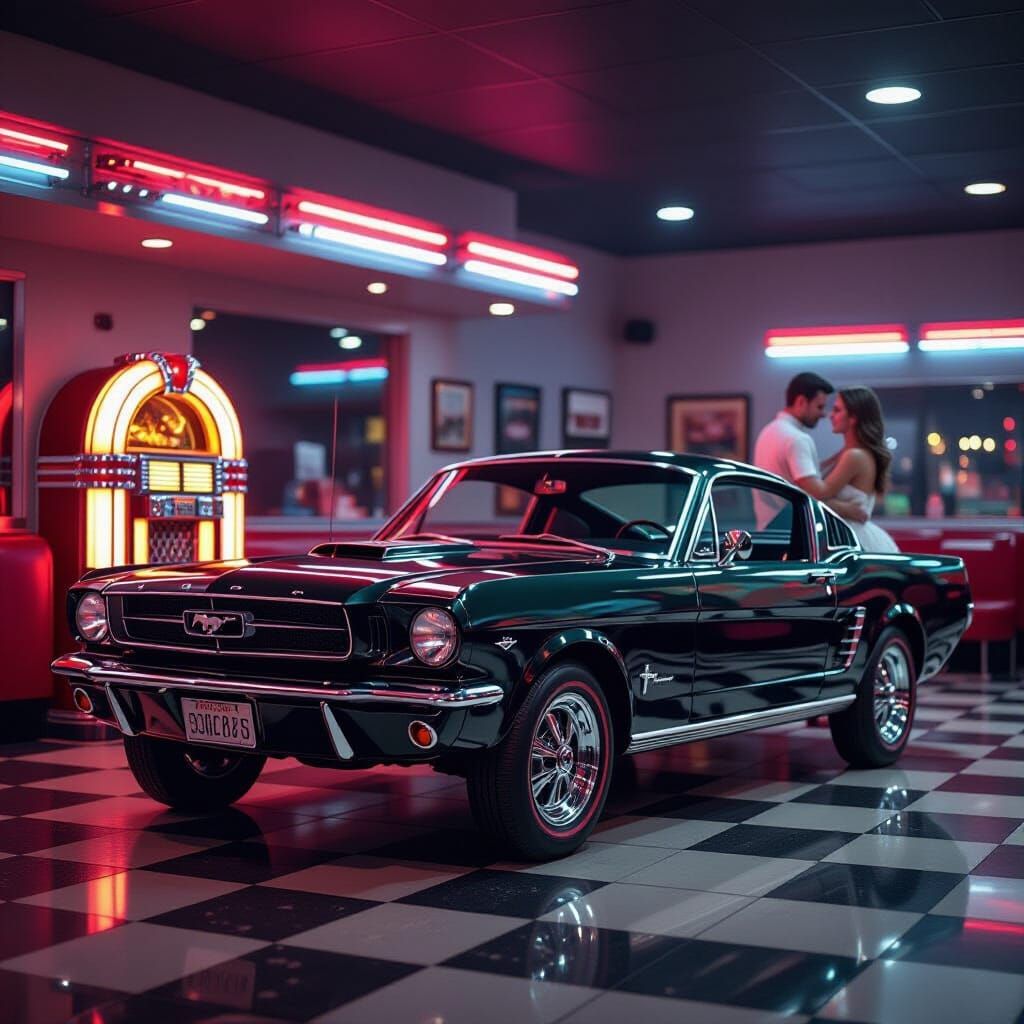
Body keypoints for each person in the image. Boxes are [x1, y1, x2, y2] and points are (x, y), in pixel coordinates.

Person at [753, 372, 866, 525]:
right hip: (793, 533)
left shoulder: (768, 432)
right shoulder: (797, 439)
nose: (823, 414)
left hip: (769, 529)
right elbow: (816, 494)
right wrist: (849, 510)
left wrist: (842, 454)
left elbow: (799, 477)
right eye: (819, 407)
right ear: (801, 402)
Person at [799, 386, 899, 553]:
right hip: (846, 536)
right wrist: (845, 508)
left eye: (837, 410)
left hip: (850, 539)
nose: (831, 415)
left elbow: (817, 496)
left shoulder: (855, 456)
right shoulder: (849, 453)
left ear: (853, 418)